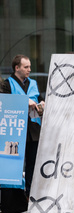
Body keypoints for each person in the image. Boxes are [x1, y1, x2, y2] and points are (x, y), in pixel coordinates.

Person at [1, 55, 43, 197]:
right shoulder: (7, 84)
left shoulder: (33, 83)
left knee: (32, 163)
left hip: (33, 130)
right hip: (16, 130)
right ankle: (16, 195)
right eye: (26, 67)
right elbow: (6, 103)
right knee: (16, 164)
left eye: (30, 67)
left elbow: (39, 98)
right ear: (17, 68)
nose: (29, 70)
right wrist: (26, 101)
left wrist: (42, 103)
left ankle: (30, 193)